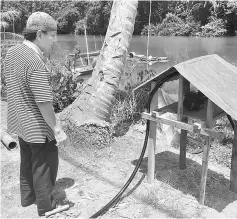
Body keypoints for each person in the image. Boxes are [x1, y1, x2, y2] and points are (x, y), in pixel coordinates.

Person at [4, 12, 67, 216]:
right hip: (37, 127)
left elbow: (10, 85)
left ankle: (28, 198)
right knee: (44, 165)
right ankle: (46, 207)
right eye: (52, 35)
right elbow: (43, 102)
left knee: (27, 161)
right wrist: (56, 128)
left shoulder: (12, 52)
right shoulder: (35, 61)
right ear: (40, 34)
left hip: (19, 122)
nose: (54, 40)